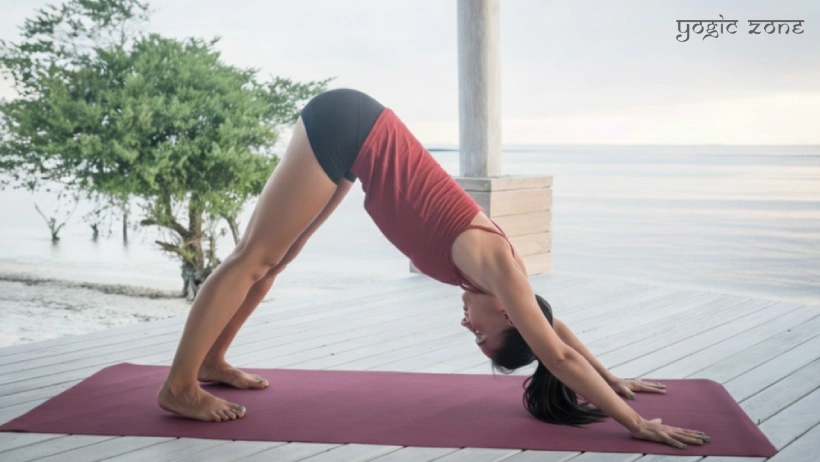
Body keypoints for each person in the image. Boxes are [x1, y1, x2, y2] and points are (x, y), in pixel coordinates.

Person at [157, 88, 709, 450]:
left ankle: (212, 361)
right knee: (253, 256)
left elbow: (554, 334)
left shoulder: (499, 290)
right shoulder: (499, 272)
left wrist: (612, 378)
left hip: (358, 142)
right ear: (506, 315)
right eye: (483, 336)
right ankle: (180, 386)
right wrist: (636, 424)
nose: (468, 329)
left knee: (276, 260)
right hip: (350, 123)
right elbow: (556, 352)